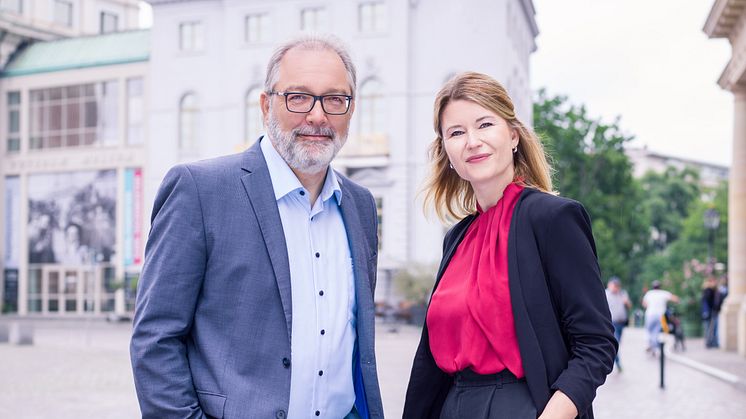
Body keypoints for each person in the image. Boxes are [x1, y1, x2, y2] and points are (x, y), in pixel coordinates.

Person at [130, 35, 383, 419]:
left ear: (351, 109)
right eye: (298, 97)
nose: (318, 116)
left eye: (335, 99)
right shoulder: (200, 190)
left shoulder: (361, 205)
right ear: (266, 105)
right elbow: (155, 339)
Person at [403, 72, 616, 419]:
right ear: (447, 153)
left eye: (484, 124)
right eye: (456, 133)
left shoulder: (553, 218)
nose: (472, 141)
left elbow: (596, 344)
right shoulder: (455, 238)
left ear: (513, 135)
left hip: (525, 406)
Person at [642, 280, 680, 355]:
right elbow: (676, 299)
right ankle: (655, 348)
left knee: (648, 330)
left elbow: (644, 304)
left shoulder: (649, 293)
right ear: (660, 286)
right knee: (656, 332)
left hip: (650, 314)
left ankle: (649, 345)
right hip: (660, 316)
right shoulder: (664, 293)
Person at [605, 276, 631, 371]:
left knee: (617, 344)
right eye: (614, 285)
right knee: (614, 344)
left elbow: (629, 306)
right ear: (610, 285)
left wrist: (626, 302)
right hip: (611, 323)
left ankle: (614, 361)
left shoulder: (622, 293)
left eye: (617, 286)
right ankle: (617, 363)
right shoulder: (605, 294)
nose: (616, 288)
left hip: (621, 323)